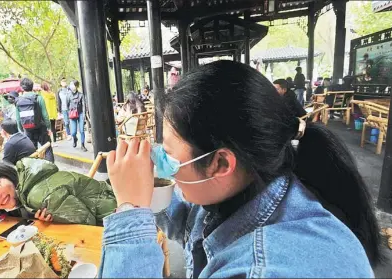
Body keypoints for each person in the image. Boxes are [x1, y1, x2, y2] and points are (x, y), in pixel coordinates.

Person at [99, 61, 381, 278]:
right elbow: (191, 223)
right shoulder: (256, 183)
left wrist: (130, 210)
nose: (161, 161)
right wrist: (146, 191)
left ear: (221, 163)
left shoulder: (265, 269)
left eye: (169, 155)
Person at [0, 158, 117, 231]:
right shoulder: (27, 187)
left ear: (7, 175)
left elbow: (87, 224)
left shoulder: (37, 196)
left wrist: (54, 221)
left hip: (114, 218)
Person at [15, 78, 54, 162]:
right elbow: (45, 116)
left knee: (32, 152)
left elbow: (18, 119)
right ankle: (52, 170)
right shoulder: (38, 98)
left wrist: (23, 129)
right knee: (47, 148)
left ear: (22, 88)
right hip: (41, 127)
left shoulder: (18, 101)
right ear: (32, 87)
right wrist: (49, 127)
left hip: (28, 130)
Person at [67, 80, 88, 151]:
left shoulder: (81, 95)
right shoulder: (68, 95)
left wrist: (84, 115)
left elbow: (84, 106)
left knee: (82, 130)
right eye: (71, 84)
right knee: (73, 132)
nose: (71, 86)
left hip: (80, 113)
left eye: (73, 85)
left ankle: (82, 145)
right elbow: (67, 105)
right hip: (72, 115)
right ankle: (75, 139)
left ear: (76, 86)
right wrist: (69, 113)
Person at [40, 82, 58, 146]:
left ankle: (50, 142)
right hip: (53, 113)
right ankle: (55, 142)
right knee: (53, 128)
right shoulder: (52, 94)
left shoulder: (42, 95)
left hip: (47, 114)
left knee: (48, 129)